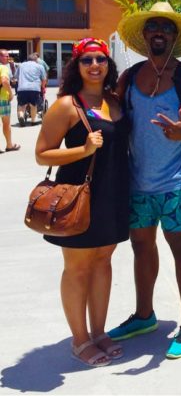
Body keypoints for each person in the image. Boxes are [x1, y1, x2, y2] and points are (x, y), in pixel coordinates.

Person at [108, 1, 181, 359]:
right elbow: (115, 111)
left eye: (166, 28)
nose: (159, 33)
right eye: (153, 27)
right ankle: (144, 315)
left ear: (174, 36)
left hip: (177, 182)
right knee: (141, 248)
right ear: (144, 35)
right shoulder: (130, 77)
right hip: (139, 183)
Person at [35, 38, 130, 367]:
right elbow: (42, 154)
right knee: (77, 269)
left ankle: (99, 331)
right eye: (87, 59)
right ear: (76, 66)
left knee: (103, 262)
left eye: (100, 59)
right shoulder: (66, 105)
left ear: (108, 64)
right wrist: (83, 150)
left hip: (114, 194)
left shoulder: (114, 101)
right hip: (78, 196)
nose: (94, 65)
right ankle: (79, 340)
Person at [16, 53, 47, 126]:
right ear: (36, 60)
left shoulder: (21, 66)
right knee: (33, 106)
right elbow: (44, 79)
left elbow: (17, 77)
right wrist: (42, 87)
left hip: (22, 88)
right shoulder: (40, 66)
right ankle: (33, 121)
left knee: (21, 106)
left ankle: (21, 116)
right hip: (34, 88)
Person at [0, 49, 19, 152]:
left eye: (8, 56)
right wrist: (11, 94)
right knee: (6, 124)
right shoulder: (3, 67)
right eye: (5, 56)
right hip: (3, 99)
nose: (7, 58)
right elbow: (4, 81)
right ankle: (9, 145)